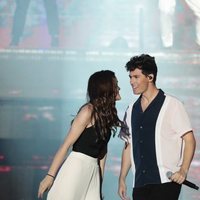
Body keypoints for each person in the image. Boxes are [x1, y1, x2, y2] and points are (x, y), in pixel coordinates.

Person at [118, 54, 196, 200]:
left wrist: (183, 170)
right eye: (130, 77)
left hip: (166, 182)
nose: (131, 81)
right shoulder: (130, 110)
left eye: (136, 77)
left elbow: (189, 140)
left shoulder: (172, 104)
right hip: (140, 183)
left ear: (150, 77)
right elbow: (128, 145)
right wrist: (122, 178)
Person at [38, 70, 122, 200]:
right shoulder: (88, 111)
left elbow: (102, 154)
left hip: (93, 171)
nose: (118, 87)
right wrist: (50, 176)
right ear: (106, 88)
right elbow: (66, 145)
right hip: (76, 167)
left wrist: (99, 184)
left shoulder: (106, 117)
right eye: (115, 84)